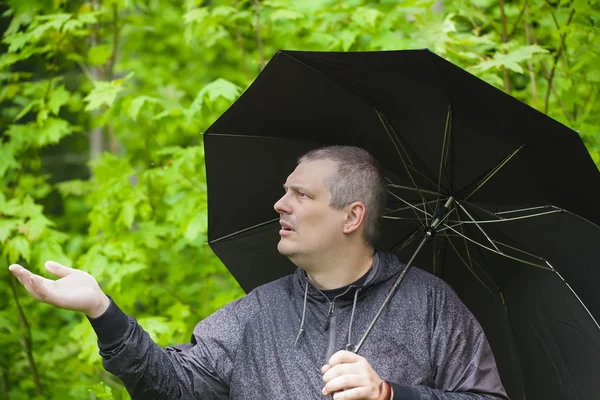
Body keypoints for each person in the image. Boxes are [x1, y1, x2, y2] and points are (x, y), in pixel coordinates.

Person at [9, 146, 509, 400]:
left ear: (351, 217)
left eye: (301, 195)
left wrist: (391, 394)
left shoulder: (431, 305)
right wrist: (103, 310)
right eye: (285, 191)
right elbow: (173, 386)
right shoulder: (259, 313)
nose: (280, 204)